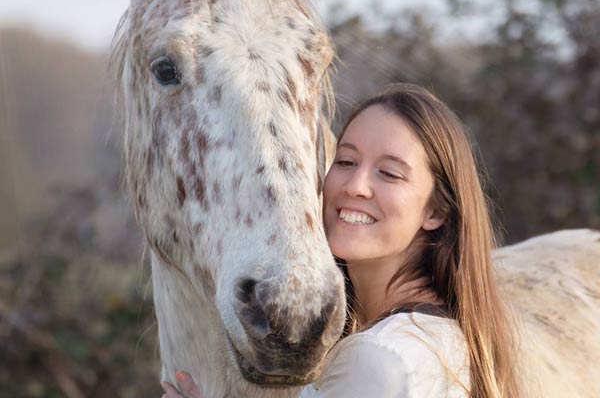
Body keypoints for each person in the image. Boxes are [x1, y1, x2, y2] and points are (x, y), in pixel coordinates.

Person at [161, 83, 521, 398]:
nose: (355, 186)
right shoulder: (441, 338)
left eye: (389, 173)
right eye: (346, 161)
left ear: (436, 212)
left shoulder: (380, 358)